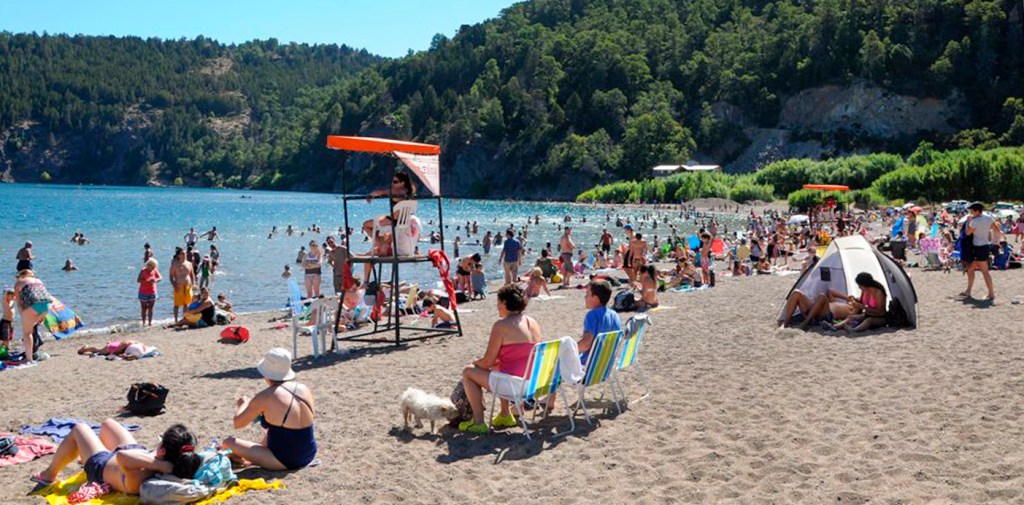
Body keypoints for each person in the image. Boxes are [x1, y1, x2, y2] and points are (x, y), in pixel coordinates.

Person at [459, 284, 542, 434]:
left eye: (498, 302)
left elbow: (487, 362)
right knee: (499, 366)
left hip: (516, 386)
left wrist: (474, 363)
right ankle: (505, 414)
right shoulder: (532, 322)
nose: (497, 306)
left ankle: (478, 422)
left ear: (504, 302)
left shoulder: (501, 326)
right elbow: (517, 356)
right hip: (534, 383)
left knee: (468, 372)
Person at [31, 421, 201, 494]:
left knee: (79, 428)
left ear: (162, 451)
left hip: (101, 464)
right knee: (108, 424)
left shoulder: (143, 474)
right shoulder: (179, 461)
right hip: (136, 452)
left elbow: (122, 457)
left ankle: (49, 475)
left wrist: (159, 465)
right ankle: (85, 451)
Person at [223, 348, 318, 470]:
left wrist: (243, 404)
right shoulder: (304, 388)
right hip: (308, 454)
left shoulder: (266, 396)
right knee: (276, 430)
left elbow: (238, 423)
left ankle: (251, 460)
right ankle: (251, 459)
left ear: (266, 374)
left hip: (285, 460)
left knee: (228, 442)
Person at [778, 273, 877, 330]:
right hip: (815, 310)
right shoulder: (842, 303)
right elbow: (830, 292)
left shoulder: (852, 310)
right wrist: (847, 297)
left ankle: (805, 322)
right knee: (796, 293)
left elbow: (854, 316)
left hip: (825, 315)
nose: (855, 299)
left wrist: (857, 305)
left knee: (822, 296)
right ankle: (785, 323)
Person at [961, 202, 1000, 301]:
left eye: (972, 210)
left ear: (977, 211)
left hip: (975, 247)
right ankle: (990, 293)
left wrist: (969, 222)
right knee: (984, 271)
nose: (970, 212)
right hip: (985, 246)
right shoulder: (988, 218)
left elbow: (968, 233)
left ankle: (969, 291)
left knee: (970, 269)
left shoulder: (974, 221)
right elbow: (996, 229)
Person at [13, 270, 51, 363]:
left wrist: (23, 315)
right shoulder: (38, 280)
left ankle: (29, 358)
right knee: (32, 327)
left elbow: (19, 304)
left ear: (20, 276)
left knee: (27, 333)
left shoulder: (18, 283)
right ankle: (34, 351)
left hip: (33, 305)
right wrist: (41, 316)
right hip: (46, 306)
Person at [169, 248, 194, 322]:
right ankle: (176, 320)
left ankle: (184, 318)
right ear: (178, 255)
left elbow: (192, 275)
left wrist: (194, 284)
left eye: (185, 253)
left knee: (186, 303)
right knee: (177, 304)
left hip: (188, 285)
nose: (184, 254)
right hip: (178, 286)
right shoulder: (175, 264)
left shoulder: (189, 263)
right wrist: (174, 285)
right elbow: (171, 276)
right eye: (182, 253)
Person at [137, 258, 162, 326]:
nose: (153, 268)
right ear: (148, 265)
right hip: (143, 292)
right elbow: (138, 280)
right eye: (152, 266)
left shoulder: (154, 270)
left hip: (152, 291)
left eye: (154, 267)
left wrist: (156, 280)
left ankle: (150, 322)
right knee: (144, 308)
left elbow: (160, 277)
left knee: (151, 308)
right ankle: (143, 322)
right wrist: (147, 281)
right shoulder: (143, 271)